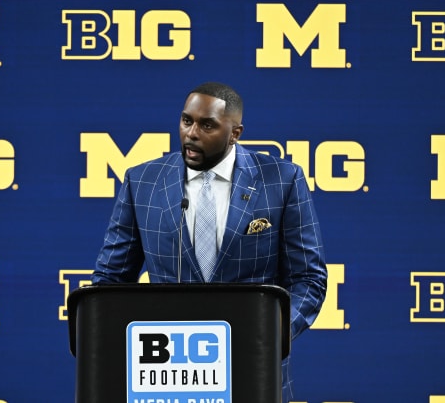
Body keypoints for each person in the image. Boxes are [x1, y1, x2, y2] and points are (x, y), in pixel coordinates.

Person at [93, 81, 327, 400]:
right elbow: (110, 281)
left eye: (207, 125)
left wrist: (269, 336)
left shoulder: (282, 180)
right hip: (163, 378)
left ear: (235, 133)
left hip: (253, 375)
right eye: (186, 120)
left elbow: (308, 279)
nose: (191, 133)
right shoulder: (142, 181)